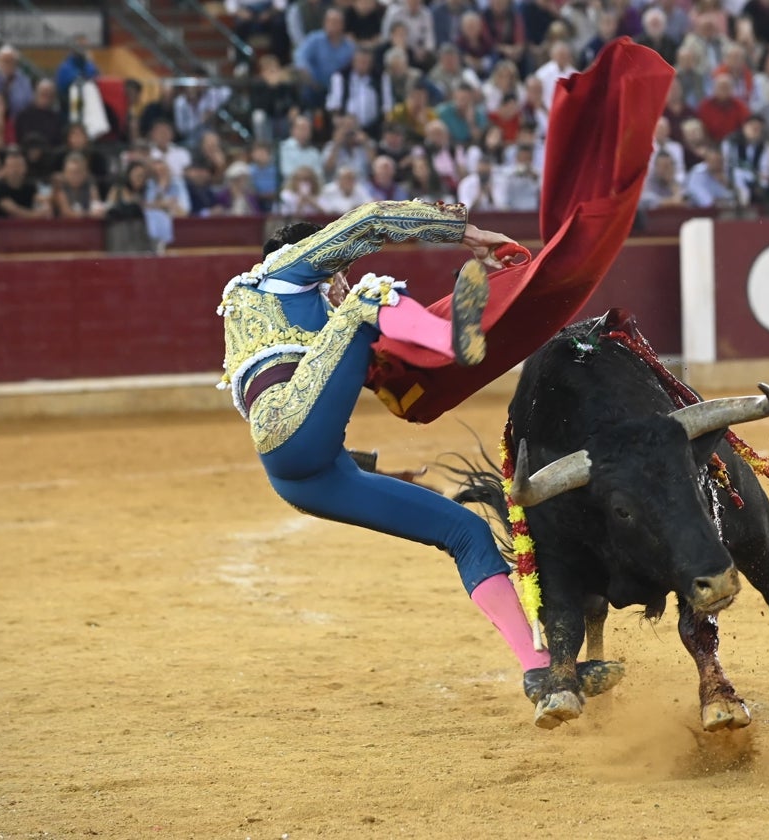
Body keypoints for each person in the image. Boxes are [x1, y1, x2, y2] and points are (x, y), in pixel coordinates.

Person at [215, 202, 624, 724]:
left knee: (466, 533)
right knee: (372, 296)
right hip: (295, 440)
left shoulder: (283, 321)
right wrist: (467, 231)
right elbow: (371, 222)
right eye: (334, 273)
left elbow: (301, 419)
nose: (340, 282)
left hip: (306, 474)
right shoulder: (284, 272)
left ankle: (541, 672)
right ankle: (455, 339)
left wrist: (375, 475)